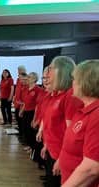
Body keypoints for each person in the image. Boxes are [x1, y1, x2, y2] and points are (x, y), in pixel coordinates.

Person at [41, 56, 84, 187]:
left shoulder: (70, 96)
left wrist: (61, 159)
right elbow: (51, 124)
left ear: (61, 71)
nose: (47, 74)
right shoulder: (56, 94)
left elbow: (71, 134)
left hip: (61, 155)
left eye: (50, 69)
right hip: (53, 151)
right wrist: (46, 145)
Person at [59, 60, 99, 187]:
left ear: (86, 82)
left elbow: (91, 168)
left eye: (75, 79)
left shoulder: (97, 115)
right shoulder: (84, 110)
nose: (73, 83)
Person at [13, 66, 26, 136]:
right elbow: (17, 90)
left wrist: (21, 102)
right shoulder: (18, 80)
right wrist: (14, 97)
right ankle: (20, 132)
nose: (18, 71)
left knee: (21, 120)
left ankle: (22, 135)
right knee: (17, 118)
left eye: (19, 70)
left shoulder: (24, 80)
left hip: (21, 104)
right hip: (17, 102)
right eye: (18, 70)